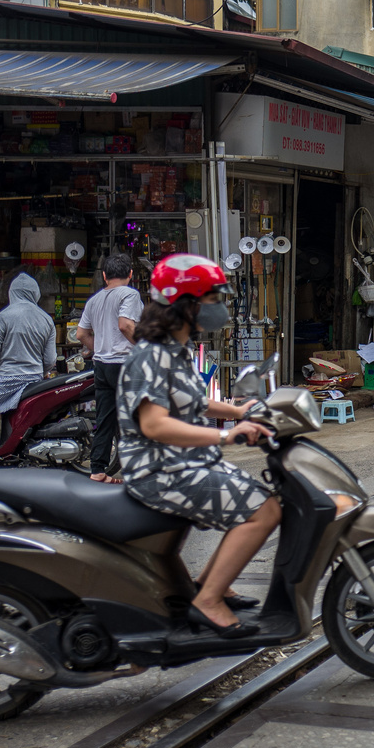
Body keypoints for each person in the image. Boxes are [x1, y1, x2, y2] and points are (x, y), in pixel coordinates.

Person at [118, 254, 280, 636]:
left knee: (259, 496)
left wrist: (239, 410)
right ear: (186, 305)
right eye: (213, 300)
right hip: (162, 471)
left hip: (188, 463)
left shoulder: (176, 349)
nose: (220, 309)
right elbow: (154, 424)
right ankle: (207, 601)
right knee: (265, 510)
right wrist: (226, 434)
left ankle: (210, 585)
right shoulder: (152, 356)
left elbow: (193, 401)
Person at [0, 272, 56, 483]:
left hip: (5, 380)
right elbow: (50, 360)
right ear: (35, 293)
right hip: (34, 382)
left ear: (12, 293)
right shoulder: (46, 319)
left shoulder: (4, 316)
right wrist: (38, 372)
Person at [76, 253, 144, 483]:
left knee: (105, 419)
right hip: (123, 364)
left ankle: (98, 470)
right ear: (130, 274)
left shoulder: (94, 300)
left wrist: (99, 348)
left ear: (105, 276)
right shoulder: (130, 294)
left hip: (102, 366)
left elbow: (81, 334)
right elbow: (125, 325)